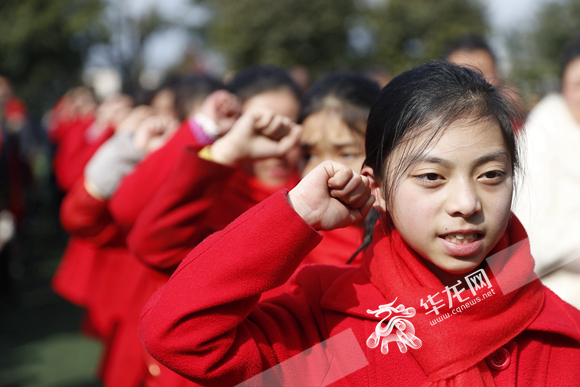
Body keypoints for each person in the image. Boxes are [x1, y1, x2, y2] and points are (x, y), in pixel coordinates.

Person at [139, 61, 580, 386]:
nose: (466, 203)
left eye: (491, 176)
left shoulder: (564, 336)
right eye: (431, 177)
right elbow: (180, 337)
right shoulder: (335, 331)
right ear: (379, 188)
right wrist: (295, 215)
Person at [512, 38, 580, 309]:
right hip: (556, 298)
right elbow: (528, 239)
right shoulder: (541, 133)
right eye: (578, 85)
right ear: (563, 87)